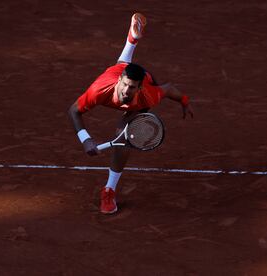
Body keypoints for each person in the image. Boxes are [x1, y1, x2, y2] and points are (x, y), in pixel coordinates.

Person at [68, 13, 193, 214]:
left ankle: (109, 190)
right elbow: (74, 111)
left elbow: (168, 88)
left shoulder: (147, 95)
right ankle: (132, 40)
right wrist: (85, 139)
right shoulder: (99, 91)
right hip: (115, 75)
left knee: (123, 137)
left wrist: (184, 101)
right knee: (121, 65)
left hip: (138, 99)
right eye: (125, 85)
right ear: (119, 82)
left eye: (132, 88)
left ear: (140, 88)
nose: (127, 91)